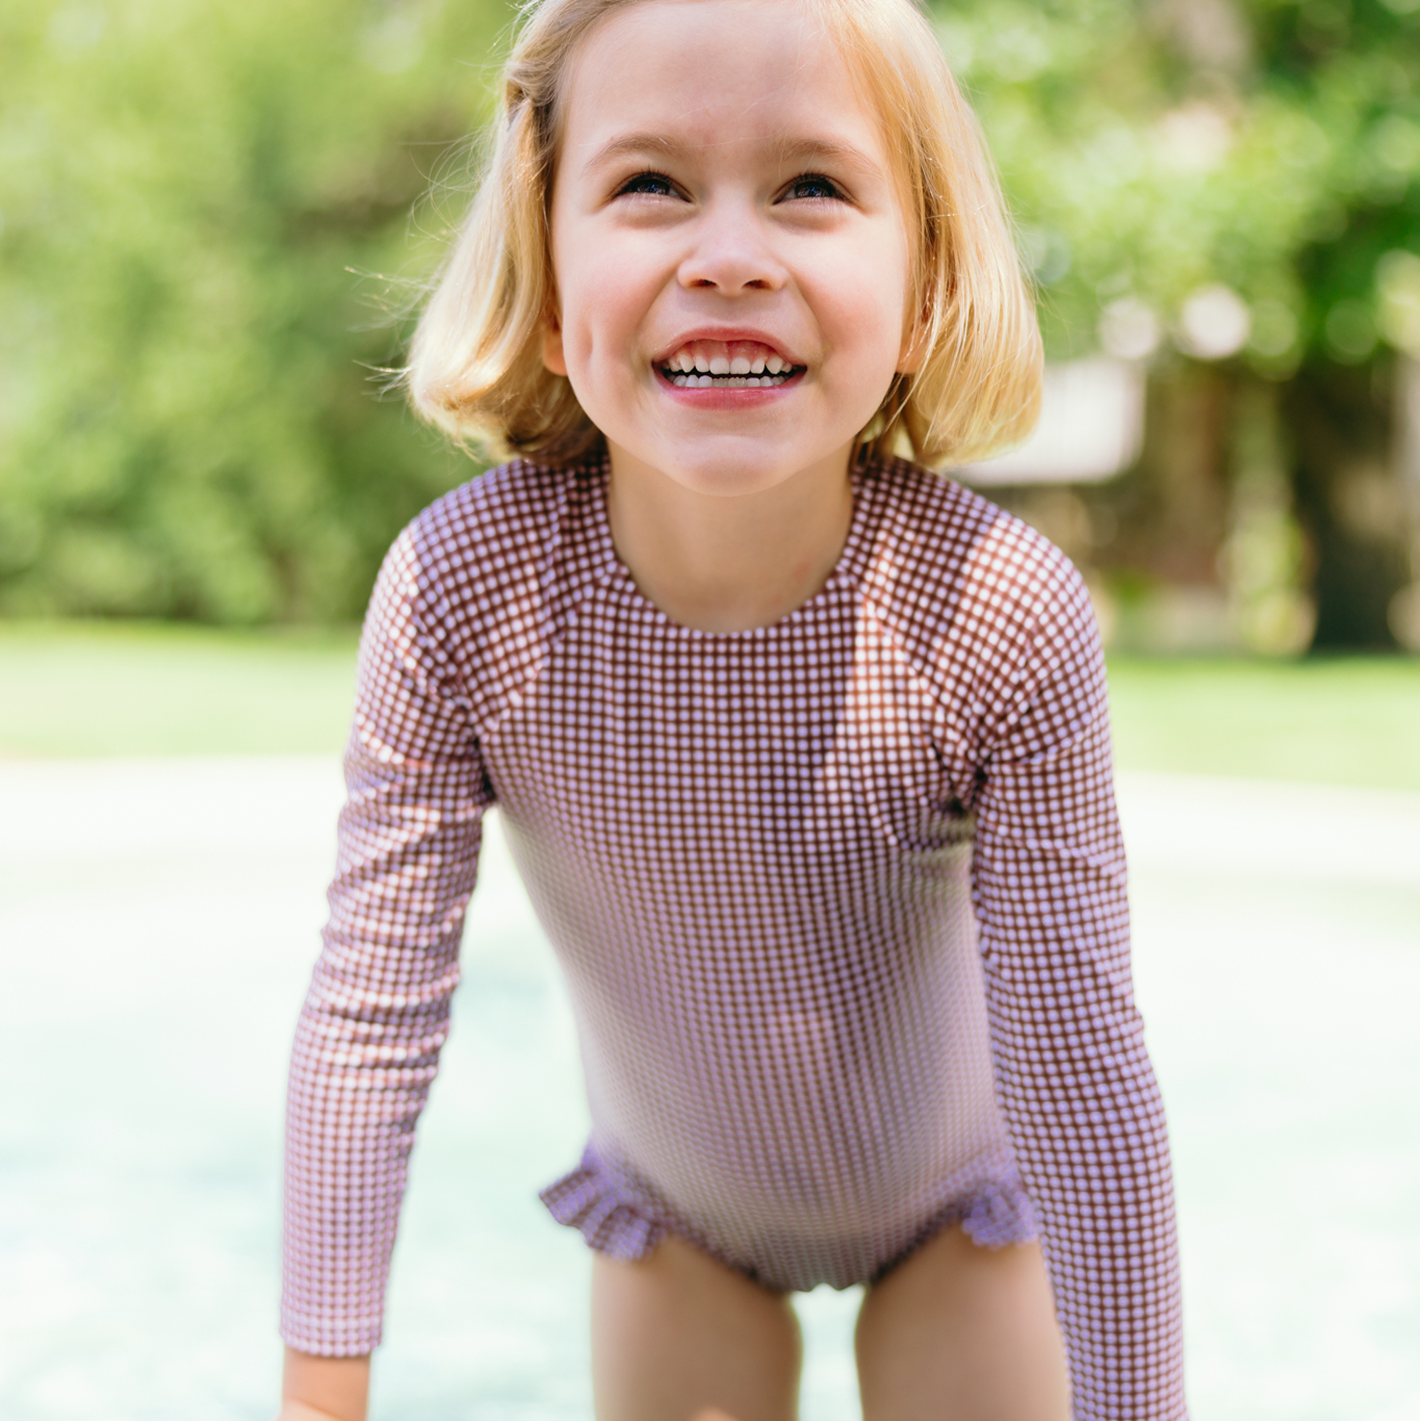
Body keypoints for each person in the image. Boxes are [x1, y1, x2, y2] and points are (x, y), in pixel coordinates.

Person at [275, 0, 1186, 1417]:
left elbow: (1079, 1068)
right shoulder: (467, 596)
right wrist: (320, 1395)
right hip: (681, 1225)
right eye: (651, 184)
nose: (730, 257)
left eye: (811, 185)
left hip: (958, 1216)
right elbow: (367, 1016)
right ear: (544, 261)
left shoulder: (996, 613)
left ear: (926, 279)